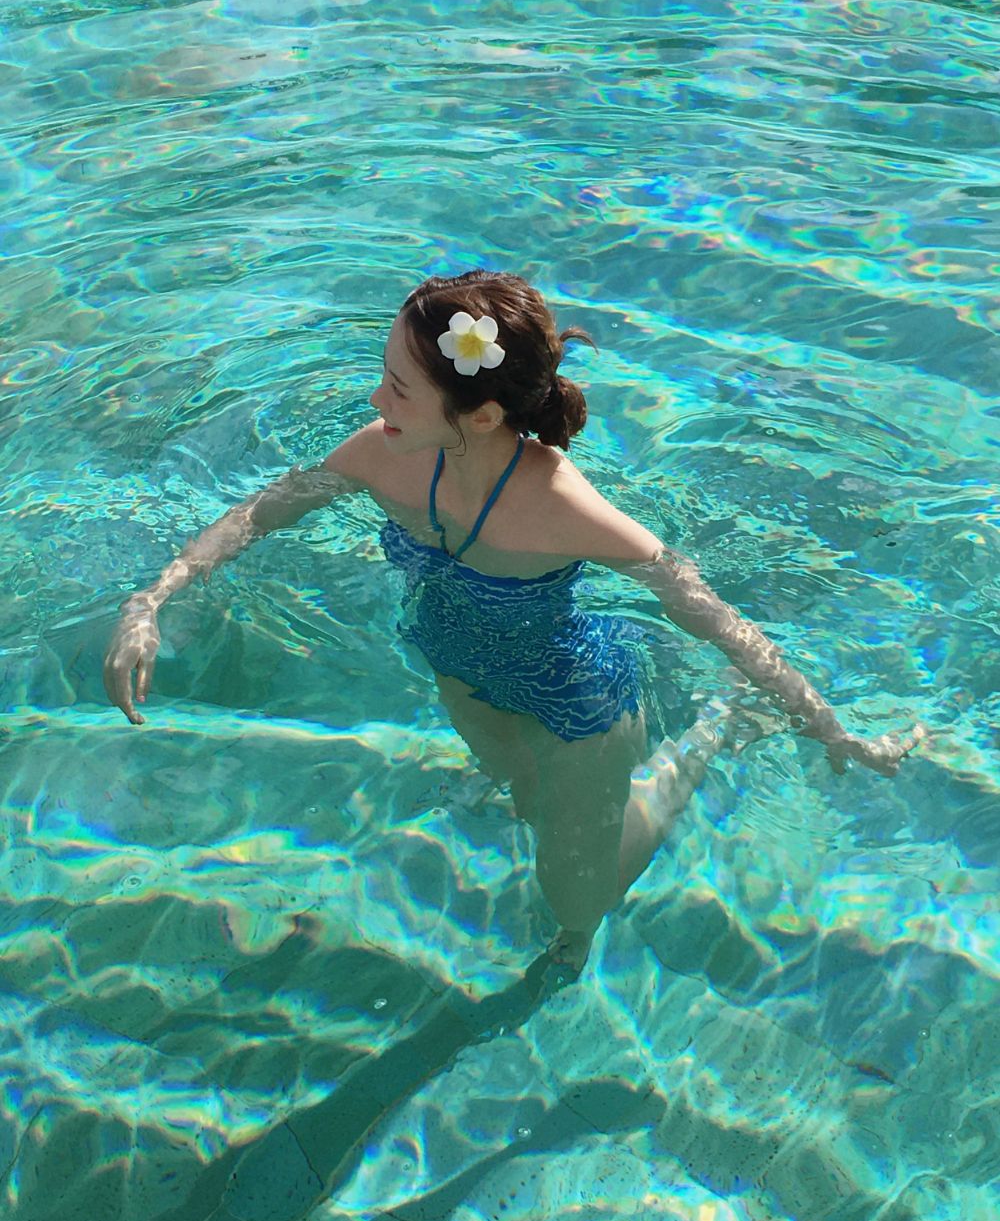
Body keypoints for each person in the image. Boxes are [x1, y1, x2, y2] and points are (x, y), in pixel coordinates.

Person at [104, 270, 919, 970]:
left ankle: (708, 735)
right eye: (384, 375)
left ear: (483, 416)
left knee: (577, 905)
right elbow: (260, 513)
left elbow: (710, 613)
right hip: (454, 664)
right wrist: (152, 599)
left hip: (573, 707)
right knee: (521, 796)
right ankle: (561, 787)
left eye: (399, 387)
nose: (376, 398)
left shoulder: (558, 504)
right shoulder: (383, 450)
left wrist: (829, 727)